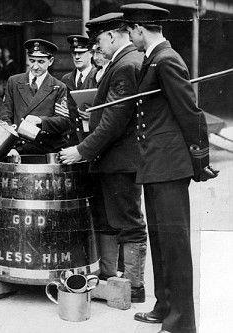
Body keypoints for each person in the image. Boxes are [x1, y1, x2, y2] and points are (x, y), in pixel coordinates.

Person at [121, 3, 218, 332]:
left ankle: (181, 323)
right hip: (155, 163)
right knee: (161, 241)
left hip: (170, 165)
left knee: (175, 246)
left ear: (139, 30)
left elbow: (190, 111)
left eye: (130, 32)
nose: (129, 38)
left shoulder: (166, 59)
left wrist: (200, 158)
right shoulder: (154, 58)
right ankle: (164, 307)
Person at [59, 12, 147, 303]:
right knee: (116, 217)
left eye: (98, 42)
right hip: (117, 159)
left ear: (111, 36)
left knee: (129, 221)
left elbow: (115, 120)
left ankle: (134, 287)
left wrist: (81, 150)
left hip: (121, 159)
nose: (96, 48)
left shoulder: (124, 65)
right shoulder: (125, 62)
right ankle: (116, 278)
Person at [0, 38, 70, 155]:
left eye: (41, 62)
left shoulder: (59, 87)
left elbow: (63, 122)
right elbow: (5, 116)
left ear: (51, 61)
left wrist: (40, 120)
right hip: (17, 150)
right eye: (32, 61)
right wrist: (9, 146)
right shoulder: (14, 82)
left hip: (45, 151)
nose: (35, 66)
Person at [61, 35, 98, 143]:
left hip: (91, 137)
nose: (77, 57)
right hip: (71, 138)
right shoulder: (66, 79)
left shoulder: (99, 76)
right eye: (74, 53)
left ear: (91, 53)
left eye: (81, 53)